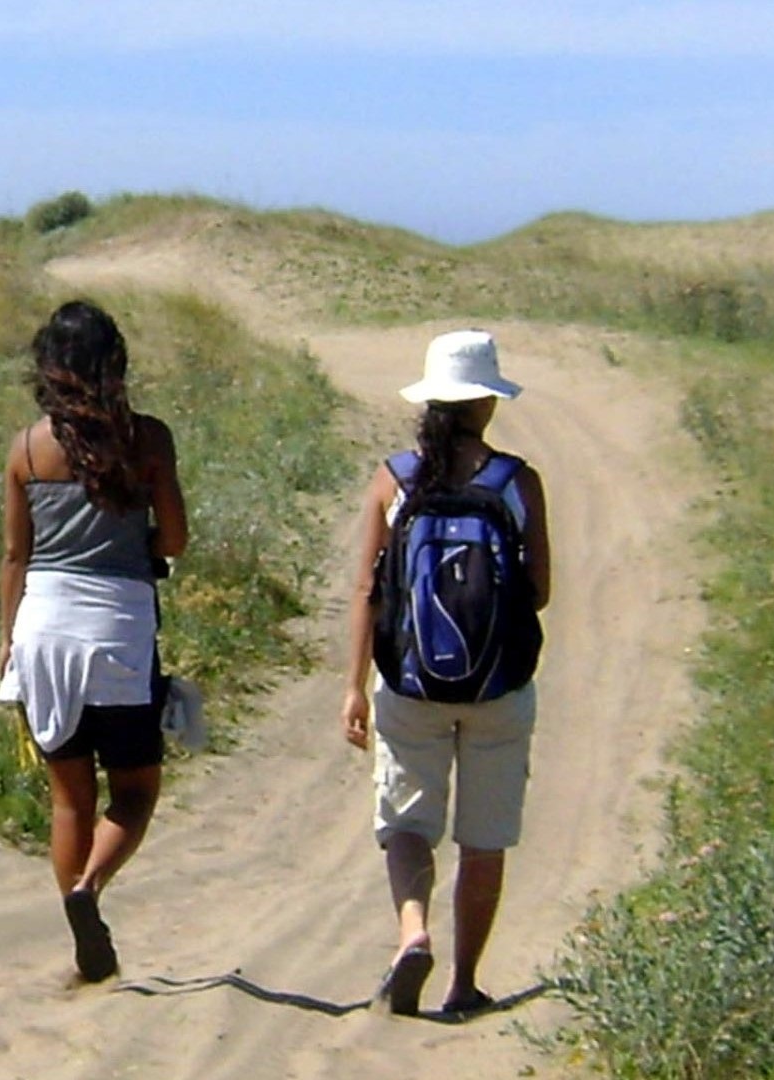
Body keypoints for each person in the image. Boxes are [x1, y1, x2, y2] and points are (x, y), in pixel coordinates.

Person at [339, 329, 551, 1017]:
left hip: (409, 684)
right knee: (483, 837)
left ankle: (412, 933)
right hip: (498, 686)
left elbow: (368, 590)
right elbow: (539, 590)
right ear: (487, 401)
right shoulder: (516, 482)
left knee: (405, 821)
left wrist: (353, 687)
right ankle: (462, 985)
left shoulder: (395, 479)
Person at [0, 299, 189, 984]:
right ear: (116, 364)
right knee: (134, 790)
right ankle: (90, 890)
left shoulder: (25, 448)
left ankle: (78, 924)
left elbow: (15, 558)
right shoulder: (150, 440)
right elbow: (174, 541)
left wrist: (6, 643)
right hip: (119, 628)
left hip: (41, 627)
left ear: (48, 368)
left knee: (68, 799)